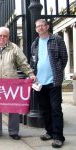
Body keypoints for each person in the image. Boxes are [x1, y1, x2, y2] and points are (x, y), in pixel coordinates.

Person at [31, 19, 67, 148]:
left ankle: (58, 137)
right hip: (40, 83)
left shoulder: (57, 39)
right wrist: (34, 74)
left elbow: (64, 58)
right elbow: (33, 61)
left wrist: (57, 71)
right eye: (37, 26)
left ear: (47, 26)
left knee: (56, 109)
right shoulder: (35, 43)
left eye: (42, 25)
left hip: (53, 81)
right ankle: (49, 132)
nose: (40, 28)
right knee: (44, 109)